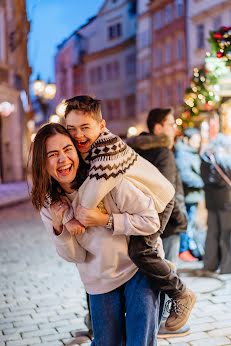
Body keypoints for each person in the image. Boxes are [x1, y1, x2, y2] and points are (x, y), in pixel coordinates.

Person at [64, 96, 196, 332]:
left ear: (101, 126)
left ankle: (181, 293)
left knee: (140, 250)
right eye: (71, 129)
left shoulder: (108, 150)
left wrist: (65, 212)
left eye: (85, 127)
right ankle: (163, 273)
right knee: (140, 251)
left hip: (159, 200)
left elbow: (89, 200)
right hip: (143, 200)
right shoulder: (89, 148)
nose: (78, 135)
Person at [30, 123, 161, 346]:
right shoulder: (48, 204)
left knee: (140, 342)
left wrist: (105, 220)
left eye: (67, 149)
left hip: (137, 267)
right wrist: (60, 226)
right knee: (106, 342)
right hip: (98, 280)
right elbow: (76, 257)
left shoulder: (104, 177)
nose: (63, 159)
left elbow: (151, 220)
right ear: (42, 163)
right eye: (53, 154)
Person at [127, 107, 192, 338]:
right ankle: (167, 322)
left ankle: (158, 321)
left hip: (144, 223)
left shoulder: (134, 150)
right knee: (167, 271)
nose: (174, 127)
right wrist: (181, 219)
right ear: (157, 128)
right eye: (170, 123)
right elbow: (166, 193)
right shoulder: (162, 151)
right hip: (167, 225)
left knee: (154, 273)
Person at [201, 133, 231, 274]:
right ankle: (227, 267)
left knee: (212, 232)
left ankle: (210, 264)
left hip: (211, 201)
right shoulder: (225, 159)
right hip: (226, 201)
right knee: (226, 234)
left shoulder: (205, 159)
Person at [175, 128, 204, 261]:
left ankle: (187, 249)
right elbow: (185, 175)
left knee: (190, 222)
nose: (197, 143)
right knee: (186, 222)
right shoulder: (182, 153)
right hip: (187, 195)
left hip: (193, 195)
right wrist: (203, 182)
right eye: (195, 140)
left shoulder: (191, 152)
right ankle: (183, 249)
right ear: (187, 140)